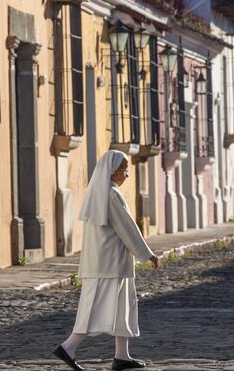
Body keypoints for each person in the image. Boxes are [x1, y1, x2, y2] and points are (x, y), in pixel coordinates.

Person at [53, 150, 159, 371]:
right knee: (94, 309)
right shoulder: (111, 195)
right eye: (123, 169)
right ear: (112, 171)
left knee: (124, 308)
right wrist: (146, 253)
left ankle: (122, 356)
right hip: (109, 265)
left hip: (109, 263)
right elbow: (127, 229)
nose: (126, 175)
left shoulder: (99, 193)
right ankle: (69, 347)